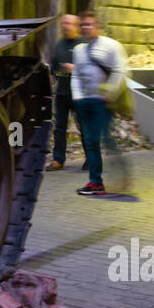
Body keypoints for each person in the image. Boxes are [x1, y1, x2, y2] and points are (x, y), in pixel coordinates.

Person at [71, 11, 128, 196]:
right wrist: (77, 96)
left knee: (105, 139)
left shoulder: (111, 46)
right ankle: (96, 182)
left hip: (102, 102)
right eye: (83, 25)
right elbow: (76, 75)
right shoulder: (79, 50)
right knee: (90, 141)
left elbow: (120, 71)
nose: (86, 28)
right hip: (84, 102)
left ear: (97, 26)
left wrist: (111, 93)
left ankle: (120, 174)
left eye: (89, 24)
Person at [46, 14, 85, 171]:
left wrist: (75, 69)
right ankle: (58, 160)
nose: (65, 26)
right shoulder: (59, 45)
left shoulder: (84, 45)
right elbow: (54, 69)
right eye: (63, 24)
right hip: (62, 94)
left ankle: (91, 159)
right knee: (59, 128)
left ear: (76, 25)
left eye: (69, 23)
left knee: (84, 127)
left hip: (79, 94)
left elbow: (93, 70)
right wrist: (50, 79)